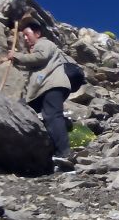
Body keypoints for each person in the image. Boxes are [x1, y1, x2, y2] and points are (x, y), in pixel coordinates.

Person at [10, 15, 73, 166]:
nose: (25, 39)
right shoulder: (35, 50)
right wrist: (13, 59)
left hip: (52, 86)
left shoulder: (43, 43)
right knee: (23, 109)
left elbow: (40, 57)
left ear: (37, 33)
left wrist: (16, 56)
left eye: (27, 35)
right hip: (42, 89)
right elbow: (31, 64)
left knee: (52, 115)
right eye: (23, 36)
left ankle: (64, 153)